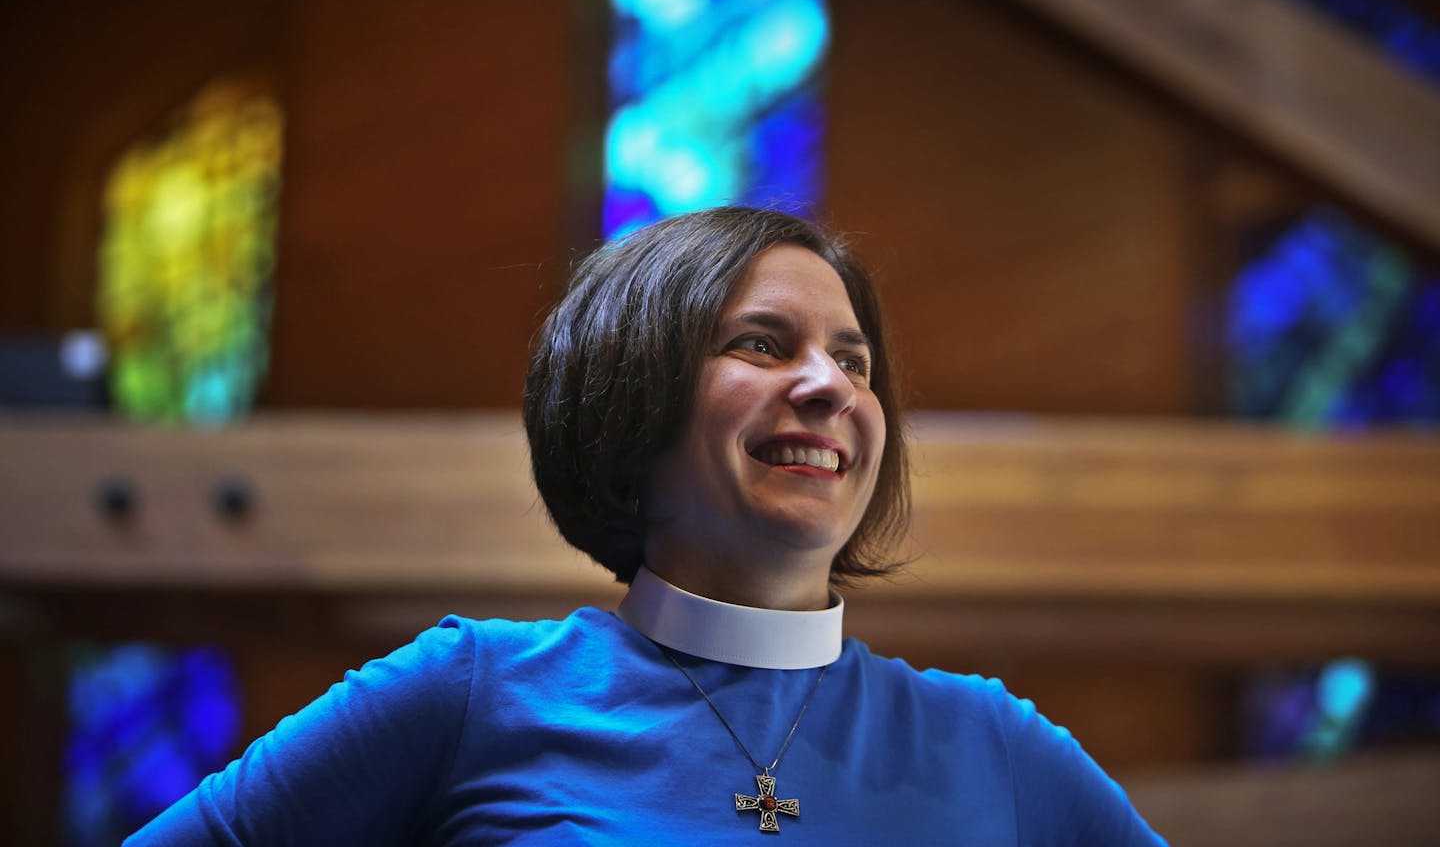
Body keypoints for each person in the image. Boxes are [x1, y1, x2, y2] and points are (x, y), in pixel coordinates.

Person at [129, 207, 1165, 844]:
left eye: (853, 361)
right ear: (632, 396)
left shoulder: (995, 742)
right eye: (762, 344)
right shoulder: (467, 693)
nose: (828, 386)